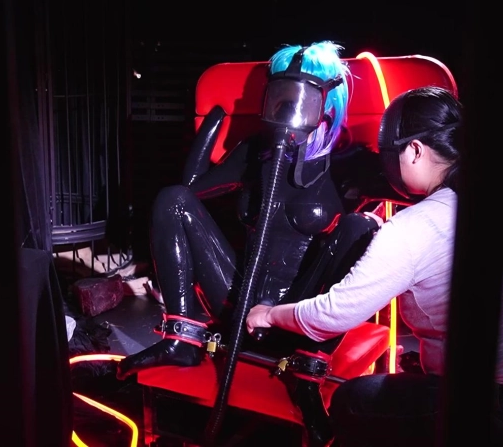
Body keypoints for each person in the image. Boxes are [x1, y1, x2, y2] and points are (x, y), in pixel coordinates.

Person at [246, 86, 503, 446]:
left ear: (416, 150)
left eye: (391, 154)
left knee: (352, 402)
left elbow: (333, 315)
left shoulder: (413, 228)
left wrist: (270, 314)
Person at [116, 41, 388, 446]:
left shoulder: (351, 164)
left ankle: (308, 375)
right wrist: (212, 124)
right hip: (237, 300)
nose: (288, 107)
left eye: (300, 97)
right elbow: (189, 191)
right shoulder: (255, 153)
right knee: (171, 199)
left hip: (302, 314)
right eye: (280, 95)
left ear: (328, 105)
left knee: (359, 227)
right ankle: (182, 339)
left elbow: (419, 190)